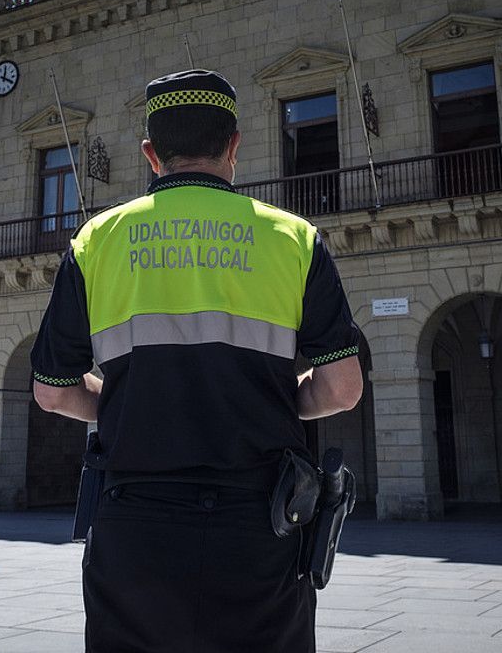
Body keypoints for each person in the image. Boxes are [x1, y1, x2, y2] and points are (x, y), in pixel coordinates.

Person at [31, 69, 365, 653]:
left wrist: (126, 403)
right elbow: (341, 388)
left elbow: (53, 390)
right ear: (234, 145)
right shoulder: (294, 240)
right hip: (259, 523)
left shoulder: (95, 242)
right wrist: (276, 398)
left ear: (150, 154)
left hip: (134, 524)